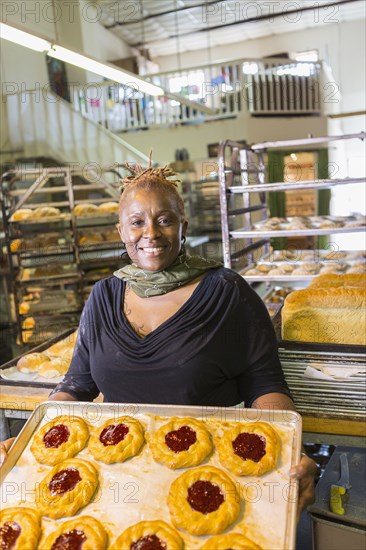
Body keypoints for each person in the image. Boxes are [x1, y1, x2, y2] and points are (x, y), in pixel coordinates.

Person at [0, 158, 317, 520]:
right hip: (119, 480)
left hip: (210, 480)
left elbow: (266, 384)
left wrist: (290, 451)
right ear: (121, 230)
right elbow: (77, 384)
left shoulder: (226, 293)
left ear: (183, 226)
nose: (150, 233)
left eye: (164, 220)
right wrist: (30, 439)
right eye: (137, 222)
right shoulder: (104, 296)